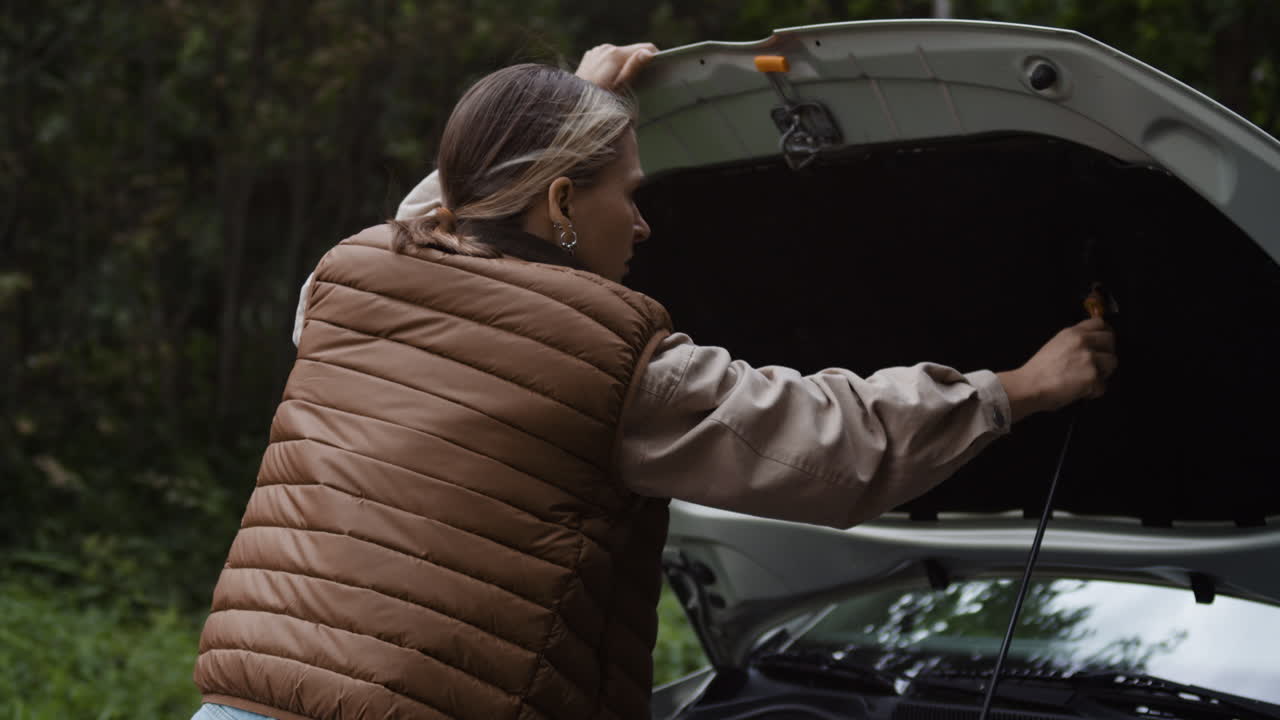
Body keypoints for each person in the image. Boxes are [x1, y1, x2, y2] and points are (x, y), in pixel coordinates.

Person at [190, 44, 1116, 720]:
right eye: (628, 193)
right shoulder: (608, 357)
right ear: (559, 201)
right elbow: (831, 443)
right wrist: (1020, 387)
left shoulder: (341, 280)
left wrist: (571, 108)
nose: (642, 226)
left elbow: (439, 216)